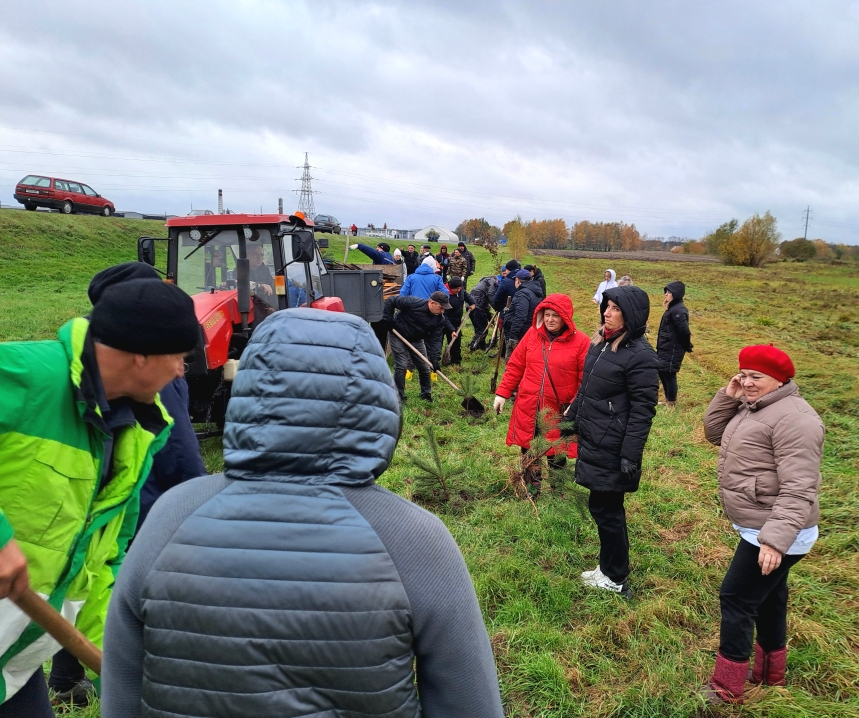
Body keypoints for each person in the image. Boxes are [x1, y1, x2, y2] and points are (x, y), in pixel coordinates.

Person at [101, 310, 504, 718]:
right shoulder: (415, 539)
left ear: (250, 389)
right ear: (375, 400)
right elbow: (471, 704)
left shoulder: (172, 515)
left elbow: (122, 692)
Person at [0, 279, 199, 718]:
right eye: (180, 358)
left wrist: (129, 675)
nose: (181, 372)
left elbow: (102, 567)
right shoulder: (29, 374)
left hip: (14, 659)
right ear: (142, 355)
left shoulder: (139, 433)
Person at [46, 264, 210, 708]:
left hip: (102, 516)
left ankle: (67, 678)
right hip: (148, 510)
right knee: (127, 597)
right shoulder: (149, 369)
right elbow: (180, 451)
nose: (180, 368)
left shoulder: (96, 369)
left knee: (85, 581)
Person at [701, 345, 823, 704]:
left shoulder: (796, 420)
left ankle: (726, 689)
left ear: (780, 380)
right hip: (763, 523)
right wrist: (728, 396)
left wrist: (774, 540)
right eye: (744, 375)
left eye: (757, 377)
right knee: (769, 598)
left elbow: (800, 486)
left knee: (736, 598)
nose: (748, 383)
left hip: (777, 528)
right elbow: (715, 434)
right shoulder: (753, 405)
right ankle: (770, 674)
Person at [561, 285, 658, 599]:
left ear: (631, 315)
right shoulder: (602, 342)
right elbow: (587, 388)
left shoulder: (641, 356)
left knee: (607, 510)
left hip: (613, 446)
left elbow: (643, 411)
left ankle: (616, 577)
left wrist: (630, 454)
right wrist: (571, 418)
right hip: (595, 437)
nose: (608, 312)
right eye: (607, 306)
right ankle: (608, 568)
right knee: (603, 507)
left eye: (616, 308)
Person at [494, 294, 590, 495]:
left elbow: (586, 380)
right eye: (547, 315)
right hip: (529, 404)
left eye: (555, 315)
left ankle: (558, 490)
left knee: (556, 450)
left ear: (566, 317)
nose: (550, 320)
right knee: (529, 447)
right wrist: (502, 393)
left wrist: (575, 405)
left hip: (559, 409)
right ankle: (532, 488)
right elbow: (515, 365)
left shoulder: (581, 342)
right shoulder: (532, 335)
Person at [383, 291, 457, 402]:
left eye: (444, 309)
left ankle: (426, 394)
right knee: (402, 365)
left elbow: (435, 340)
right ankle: (399, 396)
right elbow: (391, 300)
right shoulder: (413, 303)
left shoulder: (439, 319)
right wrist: (388, 319)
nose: (442, 311)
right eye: (441, 308)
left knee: (424, 367)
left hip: (416, 339)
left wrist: (434, 359)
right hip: (398, 334)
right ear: (432, 303)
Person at [656, 281, 693, 407]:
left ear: (676, 293)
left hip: (672, 348)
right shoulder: (673, 307)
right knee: (662, 371)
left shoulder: (679, 310)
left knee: (669, 373)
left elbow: (684, 331)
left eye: (669, 292)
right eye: (665, 291)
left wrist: (687, 345)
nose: (666, 294)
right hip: (666, 346)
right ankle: (668, 399)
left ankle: (671, 402)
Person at [503, 269, 544, 356]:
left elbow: (520, 316)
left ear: (517, 280)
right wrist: (509, 311)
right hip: (529, 331)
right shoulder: (534, 291)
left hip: (520, 334)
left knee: (513, 360)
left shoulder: (522, 294)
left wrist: (513, 336)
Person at [443, 277, 475, 365]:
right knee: (438, 342)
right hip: (443, 322)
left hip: (456, 321)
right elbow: (444, 316)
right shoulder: (444, 295)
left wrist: (472, 303)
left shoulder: (460, 290)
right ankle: (436, 361)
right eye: (456, 289)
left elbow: (465, 294)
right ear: (450, 287)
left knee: (456, 343)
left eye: (460, 288)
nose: (458, 290)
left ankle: (456, 361)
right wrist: (451, 330)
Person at [468, 274, 499, 349]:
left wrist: (490, 318)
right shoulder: (491, 281)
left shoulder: (483, 282)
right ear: (496, 279)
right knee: (482, 329)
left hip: (470, 305)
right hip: (478, 306)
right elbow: (491, 295)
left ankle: (481, 345)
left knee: (479, 328)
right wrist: (497, 307)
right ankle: (473, 345)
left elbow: (486, 308)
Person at [247, 242, 278, 311]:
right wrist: (260, 285)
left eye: (261, 254)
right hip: (249, 306)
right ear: (247, 256)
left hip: (265, 305)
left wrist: (274, 307)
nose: (259, 258)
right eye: (255, 254)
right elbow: (241, 286)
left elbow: (272, 289)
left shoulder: (265, 269)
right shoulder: (240, 270)